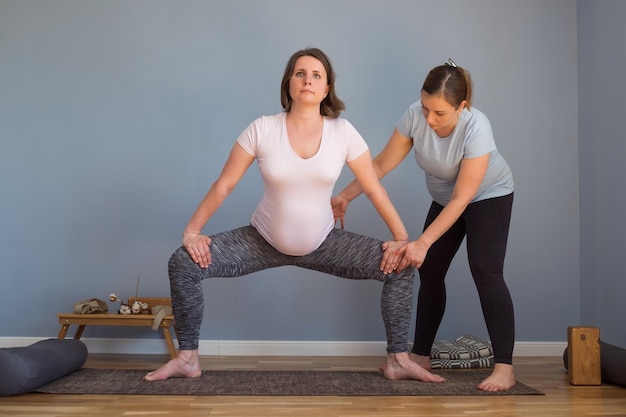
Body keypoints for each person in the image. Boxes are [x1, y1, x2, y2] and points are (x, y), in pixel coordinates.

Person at [144, 47, 445, 383]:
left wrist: (401, 239)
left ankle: (398, 361)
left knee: (402, 265)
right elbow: (224, 184)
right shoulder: (262, 129)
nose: (307, 80)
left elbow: (374, 189)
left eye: (316, 75)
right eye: (300, 73)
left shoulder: (342, 132)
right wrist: (192, 231)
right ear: (288, 83)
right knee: (182, 261)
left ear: (327, 88)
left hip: (324, 241)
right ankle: (187, 358)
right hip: (261, 240)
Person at [332, 59, 516, 391]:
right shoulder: (415, 115)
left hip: (487, 196)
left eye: (440, 113)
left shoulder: (477, 128)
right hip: (447, 199)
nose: (429, 119)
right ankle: (421, 354)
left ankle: (504, 366)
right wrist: (345, 195)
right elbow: (382, 163)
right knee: (429, 270)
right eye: (425, 107)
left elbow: (463, 199)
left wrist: (422, 242)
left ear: (462, 106)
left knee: (486, 271)